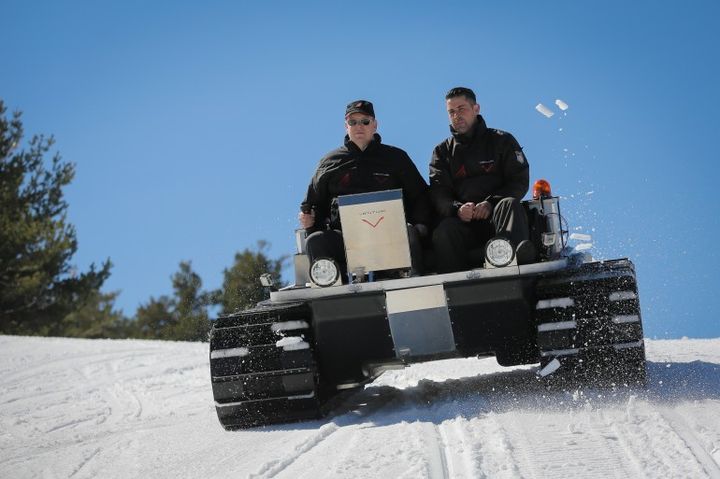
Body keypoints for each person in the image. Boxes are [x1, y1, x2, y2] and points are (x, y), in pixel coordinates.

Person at [299, 100, 431, 280]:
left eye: (365, 121)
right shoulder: (329, 162)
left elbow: (420, 194)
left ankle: (414, 282)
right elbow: (313, 202)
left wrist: (420, 224)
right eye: (353, 122)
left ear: (375, 125)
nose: (358, 126)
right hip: (346, 239)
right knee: (315, 241)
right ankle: (334, 287)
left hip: (391, 235)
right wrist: (310, 222)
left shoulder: (395, 157)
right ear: (346, 126)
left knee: (408, 231)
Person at [429, 87, 534, 273]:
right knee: (444, 229)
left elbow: (519, 180)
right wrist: (457, 209)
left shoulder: (502, 140)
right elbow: (439, 191)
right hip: (464, 225)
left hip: (498, 218)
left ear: (476, 108)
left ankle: (512, 259)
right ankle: (453, 283)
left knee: (509, 203)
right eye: (451, 112)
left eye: (461, 109)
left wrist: (491, 203)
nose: (456, 115)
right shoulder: (442, 152)